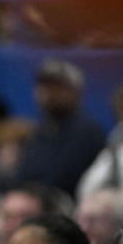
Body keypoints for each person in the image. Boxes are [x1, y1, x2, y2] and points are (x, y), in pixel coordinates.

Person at [14, 59, 106, 196]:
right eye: (44, 87)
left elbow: (65, 178)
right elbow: (24, 175)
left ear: (75, 92)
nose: (49, 94)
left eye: (57, 87)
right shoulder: (39, 132)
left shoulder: (87, 132)